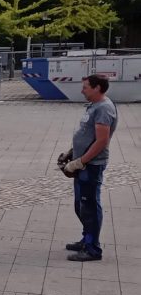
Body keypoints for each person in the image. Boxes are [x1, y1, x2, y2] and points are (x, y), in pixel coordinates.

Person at [58, 75, 118, 262]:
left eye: (85, 87)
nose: (82, 90)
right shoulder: (94, 105)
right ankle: (86, 239)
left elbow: (101, 141)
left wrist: (80, 161)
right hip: (84, 163)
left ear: (97, 88)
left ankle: (93, 249)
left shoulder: (104, 108)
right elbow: (87, 134)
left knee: (89, 206)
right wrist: (72, 152)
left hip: (91, 166)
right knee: (81, 205)